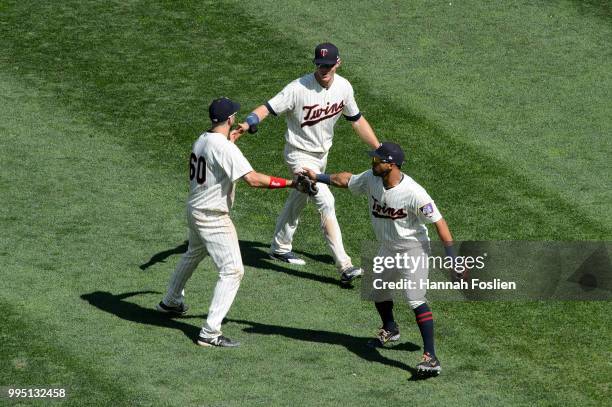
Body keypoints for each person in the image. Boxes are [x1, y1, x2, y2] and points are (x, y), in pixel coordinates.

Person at [156, 97, 310, 348]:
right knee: (232, 270)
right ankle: (210, 331)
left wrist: (232, 140)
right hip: (212, 216)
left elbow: (218, 154)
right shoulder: (225, 149)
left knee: (194, 252)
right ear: (229, 119)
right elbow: (253, 179)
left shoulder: (203, 139)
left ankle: (171, 301)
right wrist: (292, 183)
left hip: (195, 209)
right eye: (234, 117)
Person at [301, 142, 455, 376]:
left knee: (415, 298)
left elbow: (439, 223)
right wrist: (318, 177)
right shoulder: (372, 178)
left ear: (391, 165)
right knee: (377, 288)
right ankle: (390, 328)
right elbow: (346, 180)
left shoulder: (414, 193)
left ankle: (431, 357)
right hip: (388, 247)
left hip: (413, 249)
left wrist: (453, 258)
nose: (373, 162)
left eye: (377, 160)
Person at [234, 42, 380, 284]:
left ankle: (279, 246)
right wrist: (249, 123)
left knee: (299, 196)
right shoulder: (298, 88)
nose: (323, 69)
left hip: (321, 156)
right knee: (326, 200)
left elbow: (356, 120)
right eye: (320, 65)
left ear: (338, 63)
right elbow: (268, 108)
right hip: (298, 155)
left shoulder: (344, 87)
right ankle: (344, 265)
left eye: (328, 65)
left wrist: (378, 148)